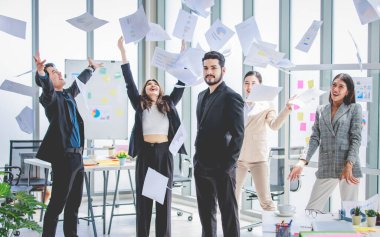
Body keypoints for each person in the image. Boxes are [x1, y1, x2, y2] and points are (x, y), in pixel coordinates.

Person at [117, 36, 186, 237]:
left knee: (164, 200)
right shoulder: (140, 104)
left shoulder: (169, 103)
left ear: (160, 89)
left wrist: (182, 55)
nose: (152, 85)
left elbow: (181, 83)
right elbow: (129, 82)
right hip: (146, 153)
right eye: (149, 84)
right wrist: (123, 53)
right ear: (145, 91)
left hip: (165, 154)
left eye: (155, 83)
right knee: (144, 201)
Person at [33, 51, 102, 237]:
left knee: (74, 205)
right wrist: (41, 73)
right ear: (46, 78)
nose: (59, 73)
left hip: (77, 157)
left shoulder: (68, 95)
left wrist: (91, 68)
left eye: (58, 71)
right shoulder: (49, 99)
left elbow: (79, 83)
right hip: (63, 157)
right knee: (57, 204)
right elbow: (47, 89)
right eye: (53, 72)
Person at [288, 73, 362, 212]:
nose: (336, 89)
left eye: (341, 86)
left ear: (348, 91)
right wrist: (302, 161)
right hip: (327, 165)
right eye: (334, 85)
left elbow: (356, 138)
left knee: (350, 213)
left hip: (348, 167)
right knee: (311, 210)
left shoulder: (354, 109)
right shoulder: (321, 110)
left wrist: (349, 164)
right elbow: (315, 137)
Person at [194, 51, 244, 237]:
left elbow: (239, 135)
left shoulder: (232, 97)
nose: (209, 72)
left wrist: (228, 166)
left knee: (228, 214)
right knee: (206, 215)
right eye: (206, 68)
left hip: (222, 166)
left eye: (213, 68)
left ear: (223, 69)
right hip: (201, 165)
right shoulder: (201, 96)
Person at [235, 71, 294, 211]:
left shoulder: (266, 105)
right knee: (232, 197)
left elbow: (274, 125)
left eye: (253, 83)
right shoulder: (238, 104)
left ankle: (274, 231)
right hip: (239, 158)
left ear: (260, 86)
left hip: (258, 158)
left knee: (266, 201)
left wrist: (286, 109)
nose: (249, 87)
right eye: (246, 83)